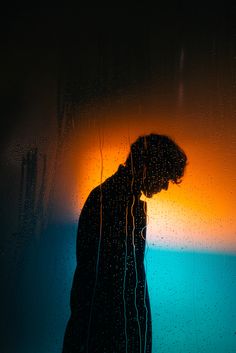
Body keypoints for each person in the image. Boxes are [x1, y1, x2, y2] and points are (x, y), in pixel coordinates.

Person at [62, 134, 187, 353]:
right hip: (106, 336)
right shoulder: (116, 203)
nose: (166, 186)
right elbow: (117, 286)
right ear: (150, 165)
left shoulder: (113, 197)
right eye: (166, 176)